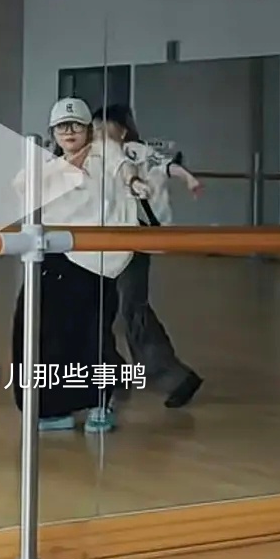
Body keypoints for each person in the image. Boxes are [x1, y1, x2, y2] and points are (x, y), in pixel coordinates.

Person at [12, 96, 140, 433]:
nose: (69, 132)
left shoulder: (104, 152)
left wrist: (135, 183)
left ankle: (101, 401)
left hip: (97, 261)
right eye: (61, 127)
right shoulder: (50, 167)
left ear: (88, 129)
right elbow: (21, 187)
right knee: (43, 331)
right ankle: (51, 407)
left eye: (76, 126)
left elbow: (125, 169)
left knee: (92, 335)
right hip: (56, 256)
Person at [93, 103, 204, 409]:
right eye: (95, 129)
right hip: (102, 244)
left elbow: (166, 165)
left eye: (104, 128)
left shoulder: (134, 152)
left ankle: (174, 377)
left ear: (122, 131)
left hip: (131, 241)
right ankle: (112, 374)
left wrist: (189, 179)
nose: (99, 134)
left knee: (131, 309)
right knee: (100, 309)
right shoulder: (95, 157)